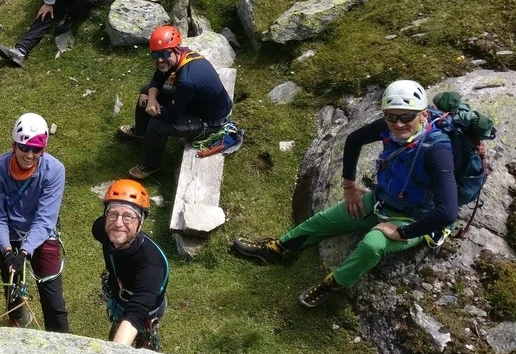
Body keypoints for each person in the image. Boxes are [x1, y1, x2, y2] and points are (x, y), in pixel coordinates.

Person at [232, 79, 458, 307]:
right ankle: (276, 249)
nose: (399, 124)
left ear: (423, 115)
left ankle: (334, 283)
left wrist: (403, 232)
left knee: (372, 244)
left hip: (415, 218)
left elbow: (447, 213)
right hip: (383, 200)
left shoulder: (437, 152)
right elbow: (353, 140)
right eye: (392, 116)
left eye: (407, 117)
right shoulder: (391, 126)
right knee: (324, 220)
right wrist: (349, 187)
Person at [0, 112, 69, 332]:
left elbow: (45, 219)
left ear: (44, 149)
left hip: (41, 234)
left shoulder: (54, 170)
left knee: (52, 296)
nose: (29, 155)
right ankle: (17, 319)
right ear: (14, 145)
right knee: (11, 283)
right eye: (24, 148)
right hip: (8, 234)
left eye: (36, 150)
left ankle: (62, 341)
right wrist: (8, 250)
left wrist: (24, 252)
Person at [117, 24, 233, 179]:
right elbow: (157, 79)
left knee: (157, 125)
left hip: (210, 122)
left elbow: (171, 116)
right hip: (198, 103)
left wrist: (150, 107)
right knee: (147, 90)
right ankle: (141, 132)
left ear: (176, 50)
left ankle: (150, 166)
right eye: (155, 55)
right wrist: (151, 99)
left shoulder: (187, 80)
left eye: (164, 54)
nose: (159, 60)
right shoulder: (182, 56)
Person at [93, 179, 169, 349]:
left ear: (140, 223)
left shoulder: (151, 265)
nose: (118, 223)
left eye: (128, 217)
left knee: (143, 351)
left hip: (146, 308)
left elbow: (136, 314)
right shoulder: (101, 230)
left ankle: (147, 339)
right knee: (118, 328)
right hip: (119, 297)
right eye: (113, 214)